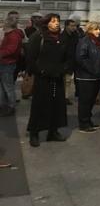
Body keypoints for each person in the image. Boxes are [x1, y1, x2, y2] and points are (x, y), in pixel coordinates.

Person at [26, 14, 72, 147]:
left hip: (57, 77)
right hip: (43, 78)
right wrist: (40, 71)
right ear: (46, 23)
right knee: (39, 105)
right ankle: (34, 133)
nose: (56, 23)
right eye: (53, 21)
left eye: (58, 21)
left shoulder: (62, 38)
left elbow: (68, 56)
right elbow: (31, 58)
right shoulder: (38, 37)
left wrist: (64, 69)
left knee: (57, 105)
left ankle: (53, 131)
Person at [75, 22, 100, 132]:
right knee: (85, 101)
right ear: (89, 30)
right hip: (86, 77)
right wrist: (93, 70)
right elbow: (81, 58)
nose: (98, 31)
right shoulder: (85, 41)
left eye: (99, 29)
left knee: (91, 100)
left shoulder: (98, 41)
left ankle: (88, 121)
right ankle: (83, 123)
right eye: (96, 29)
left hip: (96, 76)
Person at [0, 16, 24, 116]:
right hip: (4, 63)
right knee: (3, 86)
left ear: (9, 23)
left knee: (8, 87)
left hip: (7, 64)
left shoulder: (13, 35)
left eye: (4, 22)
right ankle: (4, 105)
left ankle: (11, 106)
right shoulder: (9, 34)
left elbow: (11, 50)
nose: (3, 24)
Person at [61, 19, 80, 105]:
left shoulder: (75, 35)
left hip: (73, 60)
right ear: (66, 26)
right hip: (65, 61)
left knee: (68, 80)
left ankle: (66, 96)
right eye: (72, 26)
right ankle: (64, 97)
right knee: (66, 80)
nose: (74, 27)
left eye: (75, 26)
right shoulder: (63, 36)